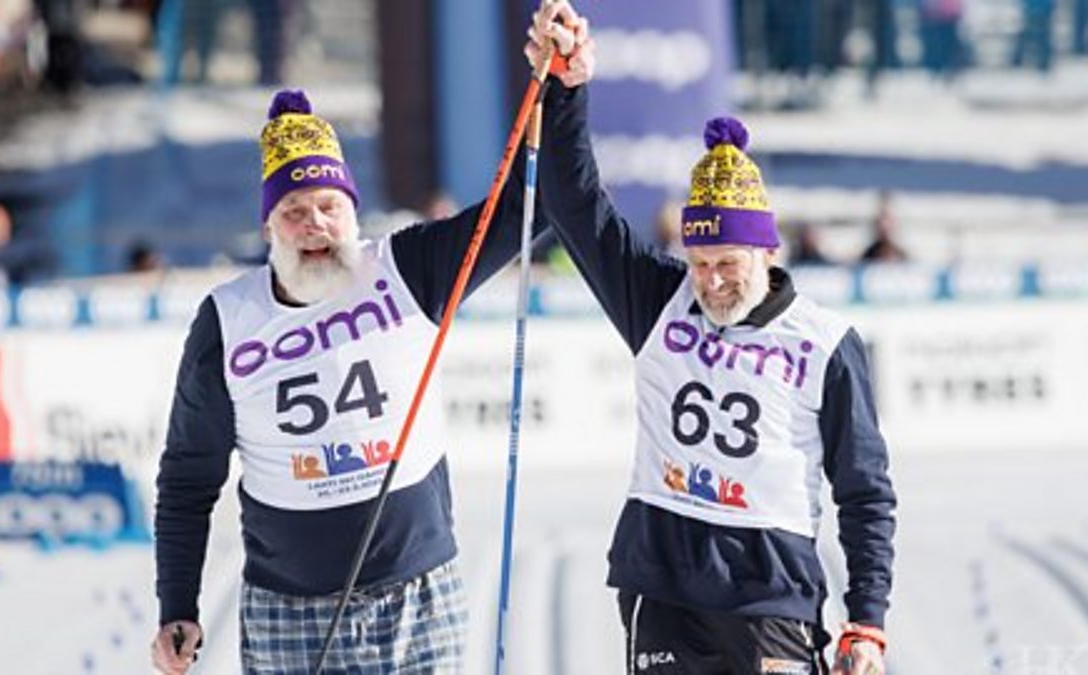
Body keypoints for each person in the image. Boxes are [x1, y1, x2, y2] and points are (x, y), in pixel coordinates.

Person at [147, 78, 586, 672]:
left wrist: (564, 88)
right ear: (269, 227)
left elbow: (529, 207)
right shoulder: (228, 321)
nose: (315, 224)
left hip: (417, 600)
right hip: (289, 612)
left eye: (329, 207)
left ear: (353, 213)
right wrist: (177, 604)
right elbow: (187, 479)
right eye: (294, 212)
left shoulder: (408, 268)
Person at [527, 4, 896, 673]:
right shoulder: (657, 301)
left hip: (771, 592)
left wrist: (866, 619)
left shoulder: (824, 342)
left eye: (729, 262)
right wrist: (566, 89)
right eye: (700, 263)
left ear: (767, 252)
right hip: (664, 584)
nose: (713, 280)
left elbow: (864, 489)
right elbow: (574, 204)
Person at [859, 191, 908, 263]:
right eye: (880, 224)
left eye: (888, 224)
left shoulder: (900, 254)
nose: (884, 227)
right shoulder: (869, 254)